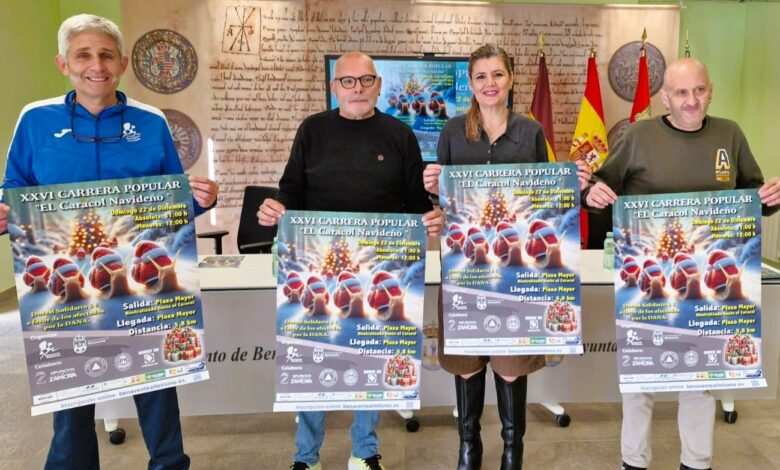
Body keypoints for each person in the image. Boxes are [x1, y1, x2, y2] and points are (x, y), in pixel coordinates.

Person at [0, 14, 219, 470]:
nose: (95, 66)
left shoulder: (151, 121)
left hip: (143, 282)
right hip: (64, 285)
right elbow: (14, 190)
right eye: (83, 55)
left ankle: (169, 464)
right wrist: (5, 215)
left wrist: (200, 201)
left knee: (157, 386)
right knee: (71, 396)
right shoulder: (35, 119)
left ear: (121, 63)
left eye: (105, 55)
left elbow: (170, 200)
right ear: (63, 63)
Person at [584, 57, 780, 470]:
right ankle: (633, 461)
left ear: (711, 90)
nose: (692, 101)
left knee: (701, 377)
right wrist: (591, 193)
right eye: (681, 93)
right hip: (647, 280)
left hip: (711, 281)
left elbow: (751, 196)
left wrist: (768, 199)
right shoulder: (639, 136)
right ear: (664, 98)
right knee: (640, 379)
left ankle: (696, 462)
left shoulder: (730, 134)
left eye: (699, 90)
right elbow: (602, 185)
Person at [258, 51, 443, 470]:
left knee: (372, 356)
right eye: (347, 81)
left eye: (365, 80)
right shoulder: (312, 130)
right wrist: (276, 209)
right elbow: (290, 190)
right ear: (334, 87)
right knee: (311, 354)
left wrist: (431, 217)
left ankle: (365, 451)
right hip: (316, 265)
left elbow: (416, 203)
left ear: (378, 85)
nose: (357, 88)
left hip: (381, 267)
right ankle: (306, 456)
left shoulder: (400, 135)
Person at [422, 44, 591, 470]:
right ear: (470, 83)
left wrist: (573, 182)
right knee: (466, 361)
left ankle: (513, 449)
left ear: (511, 79)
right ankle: (469, 446)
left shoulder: (531, 132)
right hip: (465, 266)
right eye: (481, 76)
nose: (490, 84)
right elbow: (442, 202)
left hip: (517, 268)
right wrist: (432, 190)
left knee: (511, 363)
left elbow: (547, 200)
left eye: (497, 74)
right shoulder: (453, 132)